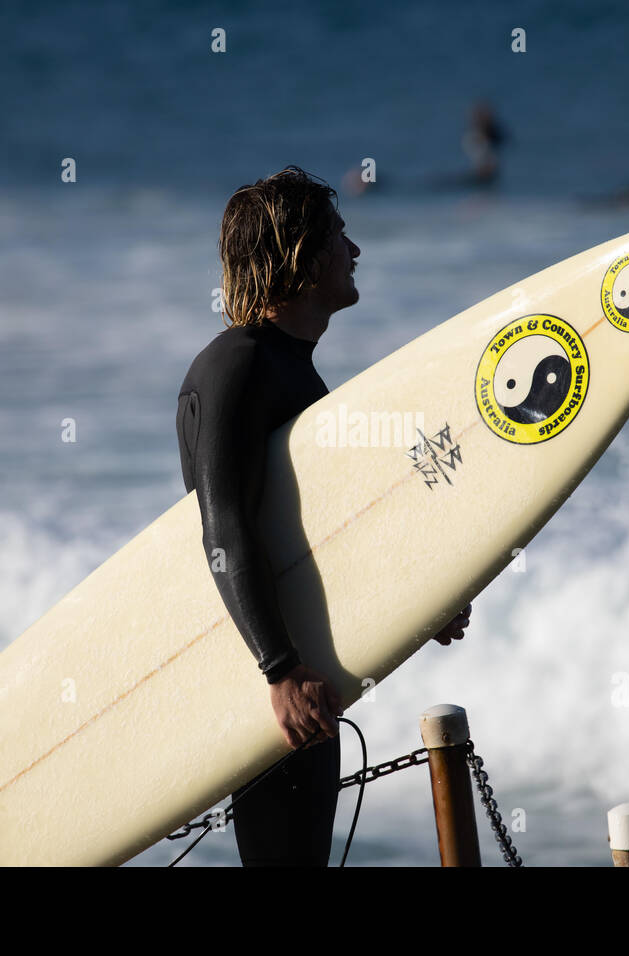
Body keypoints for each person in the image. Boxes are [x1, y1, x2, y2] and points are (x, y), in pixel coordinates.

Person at [176, 166, 471, 866]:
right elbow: (224, 529)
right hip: (273, 679)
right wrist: (277, 670)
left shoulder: (289, 371)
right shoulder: (239, 366)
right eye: (340, 236)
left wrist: (418, 606)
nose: (356, 250)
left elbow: (314, 540)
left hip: (298, 668)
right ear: (302, 256)